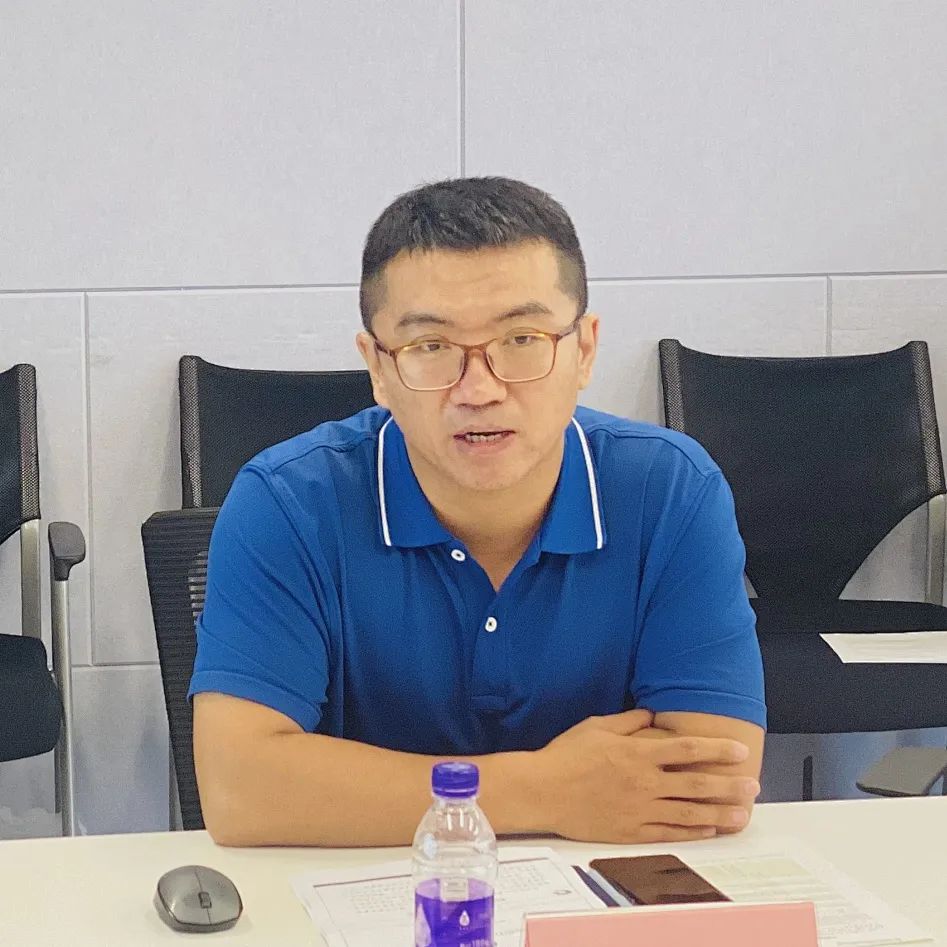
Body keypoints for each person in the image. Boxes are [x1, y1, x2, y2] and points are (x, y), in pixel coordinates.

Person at [189, 177, 766, 848]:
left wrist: (357, 789)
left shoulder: (669, 490)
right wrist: (545, 790)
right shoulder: (286, 502)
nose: (480, 390)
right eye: (430, 347)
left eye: (522, 338)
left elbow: (710, 781)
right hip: (359, 887)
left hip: (603, 880)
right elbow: (240, 791)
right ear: (377, 368)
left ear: (583, 350)